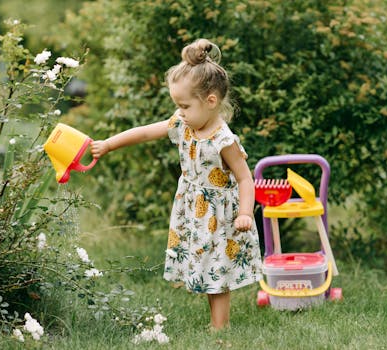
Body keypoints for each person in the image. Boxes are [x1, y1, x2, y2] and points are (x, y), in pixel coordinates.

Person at [90, 39, 262, 330]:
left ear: (211, 101)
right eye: (177, 106)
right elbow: (145, 133)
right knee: (206, 267)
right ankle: (216, 323)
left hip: (219, 215)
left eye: (184, 105)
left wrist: (246, 211)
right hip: (193, 207)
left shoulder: (223, 139)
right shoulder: (183, 123)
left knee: (217, 269)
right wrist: (108, 144)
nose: (179, 112)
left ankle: (220, 327)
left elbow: (245, 177)